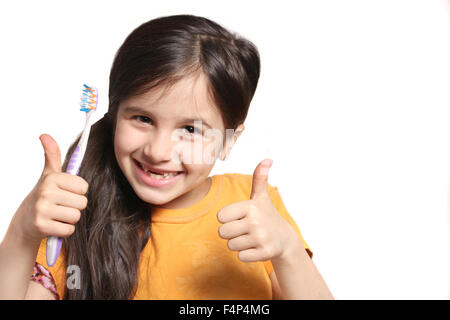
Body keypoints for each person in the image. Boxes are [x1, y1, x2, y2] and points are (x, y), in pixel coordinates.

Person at [0, 14, 333, 300]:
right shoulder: (76, 215)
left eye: (190, 129)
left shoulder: (254, 207)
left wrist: (288, 251)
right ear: (115, 115)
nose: (158, 152)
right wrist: (21, 233)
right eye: (143, 119)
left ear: (229, 140)